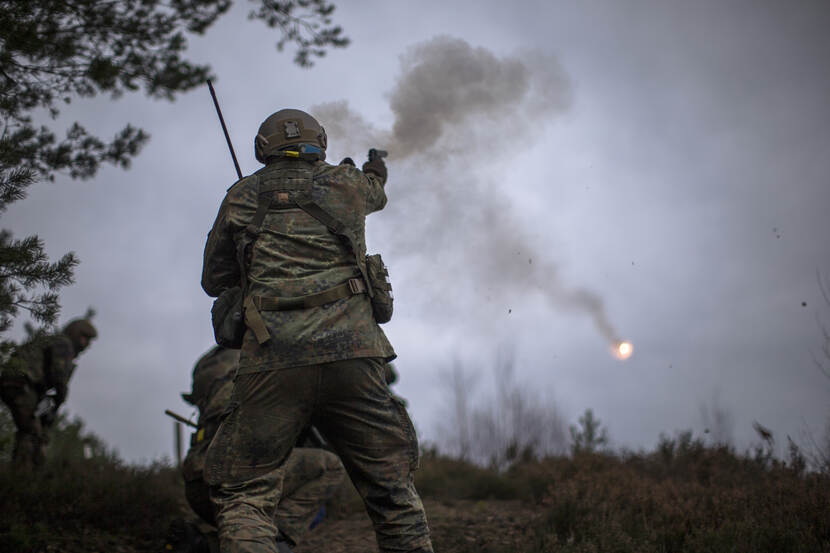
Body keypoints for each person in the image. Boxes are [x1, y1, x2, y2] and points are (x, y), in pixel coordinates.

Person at [201, 109, 433, 553]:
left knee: (246, 493)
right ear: (320, 144)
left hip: (273, 356)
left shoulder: (240, 196)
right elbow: (377, 191)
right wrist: (372, 168)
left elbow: (215, 279)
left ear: (262, 147)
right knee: (392, 492)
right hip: (355, 353)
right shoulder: (346, 185)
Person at [166, 345, 346, 553]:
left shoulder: (213, 374)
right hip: (238, 481)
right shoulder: (276, 370)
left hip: (198, 490)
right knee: (330, 467)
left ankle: (203, 545)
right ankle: (275, 542)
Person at [0, 317, 97, 469]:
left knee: (32, 429)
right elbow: (59, 377)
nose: (85, 344)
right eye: (83, 337)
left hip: (19, 383)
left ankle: (22, 476)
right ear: (75, 333)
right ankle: (21, 480)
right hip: (22, 383)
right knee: (33, 432)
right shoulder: (64, 344)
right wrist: (61, 395)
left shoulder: (54, 342)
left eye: (88, 340)